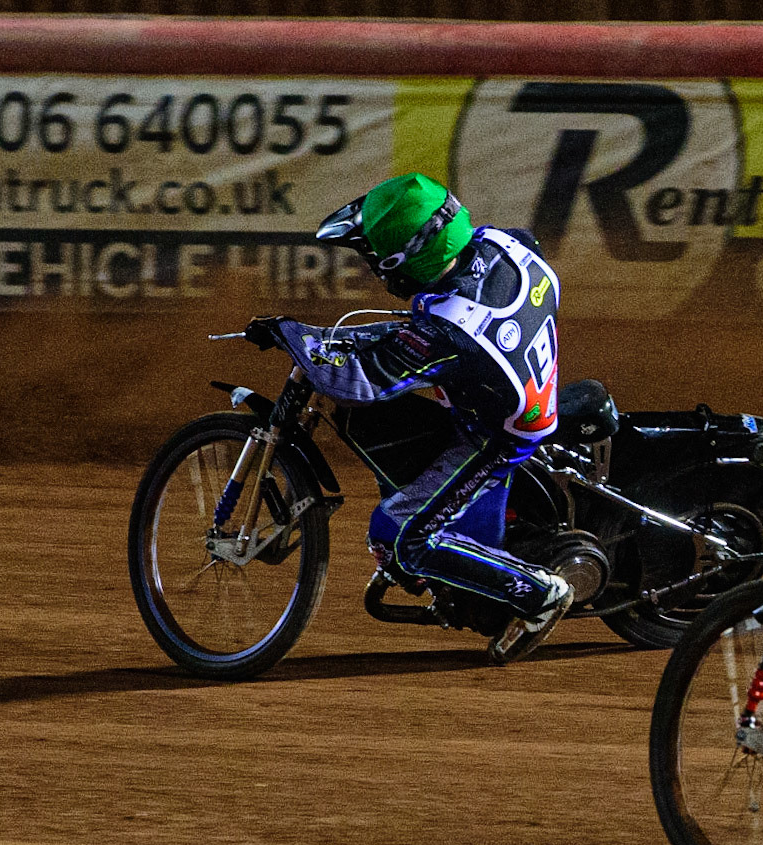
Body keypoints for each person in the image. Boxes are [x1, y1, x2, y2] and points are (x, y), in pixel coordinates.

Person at [243, 172, 573, 664]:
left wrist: (292, 334)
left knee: (398, 534)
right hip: (496, 381)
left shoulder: (449, 331)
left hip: (496, 436)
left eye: (376, 260)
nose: (374, 268)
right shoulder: (504, 244)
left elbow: (358, 382)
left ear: (405, 263)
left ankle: (537, 594)